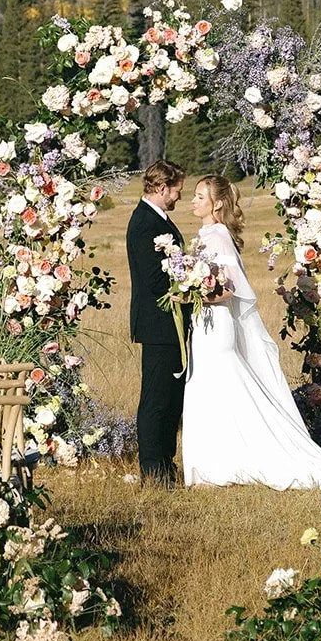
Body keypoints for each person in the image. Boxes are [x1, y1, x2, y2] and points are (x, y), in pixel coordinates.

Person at [182, 173, 321, 490]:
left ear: (217, 202)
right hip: (205, 323)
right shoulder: (207, 234)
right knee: (210, 388)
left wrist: (192, 293)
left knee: (221, 387)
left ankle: (228, 462)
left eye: (199, 196)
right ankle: (215, 463)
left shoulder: (217, 237)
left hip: (217, 322)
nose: (193, 201)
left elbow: (228, 290)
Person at [126, 158, 188, 486]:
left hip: (168, 324)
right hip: (158, 323)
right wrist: (187, 284)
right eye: (177, 190)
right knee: (155, 399)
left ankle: (166, 464)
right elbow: (154, 277)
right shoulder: (145, 223)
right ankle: (153, 469)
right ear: (162, 188)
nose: (179, 197)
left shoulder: (155, 219)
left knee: (170, 399)